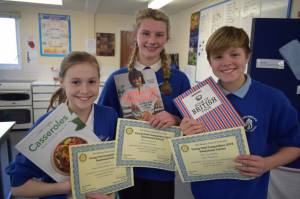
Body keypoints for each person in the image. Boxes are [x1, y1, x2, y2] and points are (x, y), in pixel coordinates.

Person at [179, 26, 300, 199]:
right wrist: (185, 136)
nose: (226, 62)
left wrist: (267, 163)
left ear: (247, 56)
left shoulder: (273, 98)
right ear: (210, 61)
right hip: (205, 191)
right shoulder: (197, 100)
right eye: (218, 56)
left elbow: (295, 145)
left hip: (250, 192)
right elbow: (190, 150)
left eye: (234, 54)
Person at [98, 8, 190, 199]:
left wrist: (174, 118)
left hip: (162, 169)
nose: (152, 40)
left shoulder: (179, 79)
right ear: (136, 37)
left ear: (167, 38)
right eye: (146, 33)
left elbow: (191, 125)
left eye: (159, 34)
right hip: (127, 169)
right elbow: (102, 123)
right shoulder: (117, 78)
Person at [6, 51, 118, 199]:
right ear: (62, 81)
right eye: (76, 82)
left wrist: (112, 193)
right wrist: (68, 187)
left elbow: (116, 165)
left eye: (91, 81)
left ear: (99, 81)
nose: (84, 90)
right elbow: (18, 188)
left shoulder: (109, 116)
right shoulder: (45, 127)